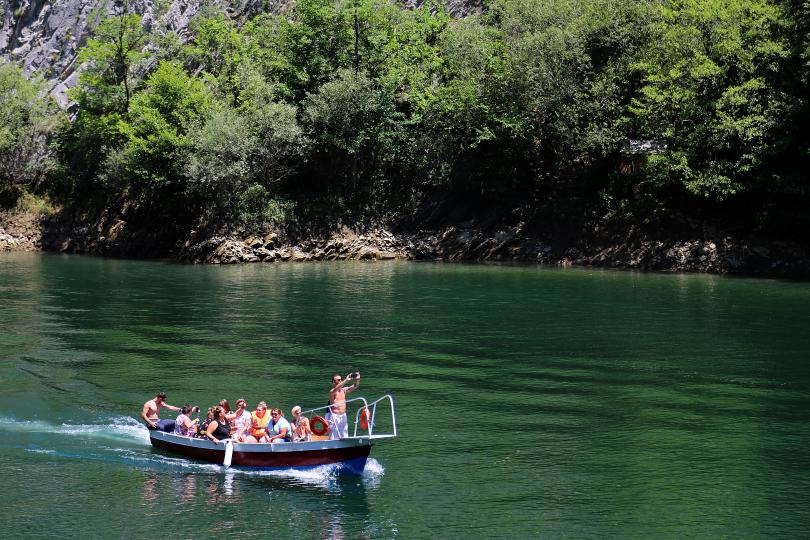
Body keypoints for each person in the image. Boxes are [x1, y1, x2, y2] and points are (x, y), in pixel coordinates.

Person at [327, 372, 360, 440]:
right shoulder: (332, 391)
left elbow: (355, 386)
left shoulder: (343, 390)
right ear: (333, 382)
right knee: (334, 436)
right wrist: (347, 379)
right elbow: (336, 389)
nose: (340, 381)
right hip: (334, 416)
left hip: (343, 415)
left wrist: (357, 379)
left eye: (340, 379)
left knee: (345, 435)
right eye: (338, 380)